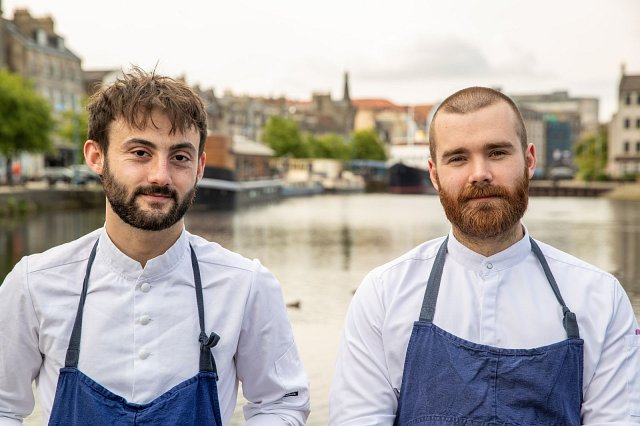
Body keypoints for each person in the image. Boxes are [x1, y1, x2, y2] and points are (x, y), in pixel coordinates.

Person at [0, 68, 310, 425]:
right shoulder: (34, 283)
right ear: (96, 156)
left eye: (179, 157)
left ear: (200, 167)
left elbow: (280, 404)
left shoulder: (247, 285)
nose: (161, 175)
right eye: (140, 152)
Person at [329, 86, 639, 425]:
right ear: (434, 174)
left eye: (497, 152)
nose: (480, 173)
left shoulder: (601, 299)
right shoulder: (382, 295)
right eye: (458, 158)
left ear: (530, 160)